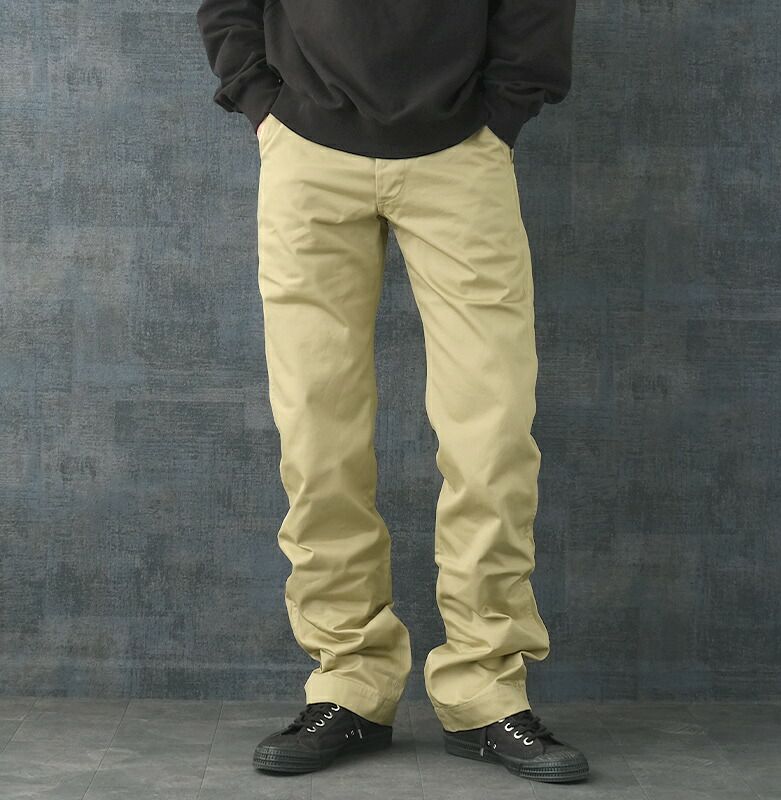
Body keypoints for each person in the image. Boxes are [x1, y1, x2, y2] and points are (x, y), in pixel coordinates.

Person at [196, 0, 588, 784]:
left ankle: (484, 690)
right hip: (306, 149)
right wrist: (259, 100)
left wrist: (505, 111)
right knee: (317, 437)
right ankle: (350, 682)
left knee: (494, 435)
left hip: (463, 151)